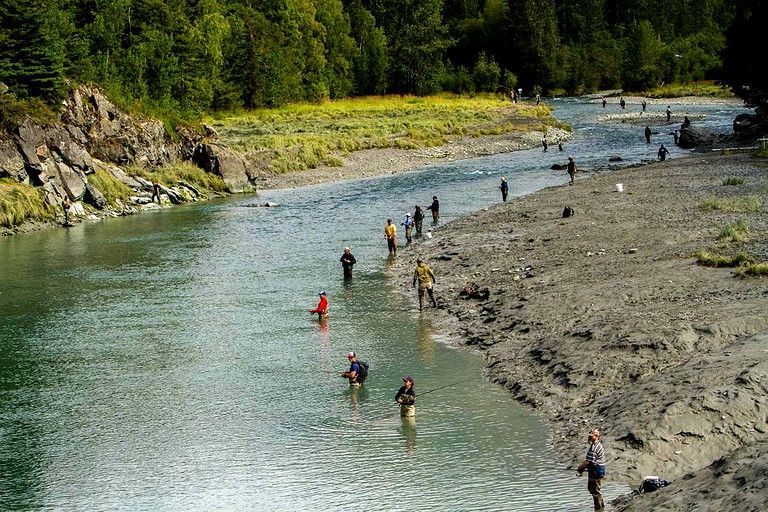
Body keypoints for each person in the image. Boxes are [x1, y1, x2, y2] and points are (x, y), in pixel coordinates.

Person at [577, 428, 606, 511]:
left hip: (596, 471)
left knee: (596, 490)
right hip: (595, 469)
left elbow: (587, 461)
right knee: (592, 489)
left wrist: (580, 468)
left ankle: (599, 508)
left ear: (596, 436)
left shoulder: (595, 447)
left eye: (591, 436)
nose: (589, 438)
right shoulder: (594, 445)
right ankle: (601, 506)